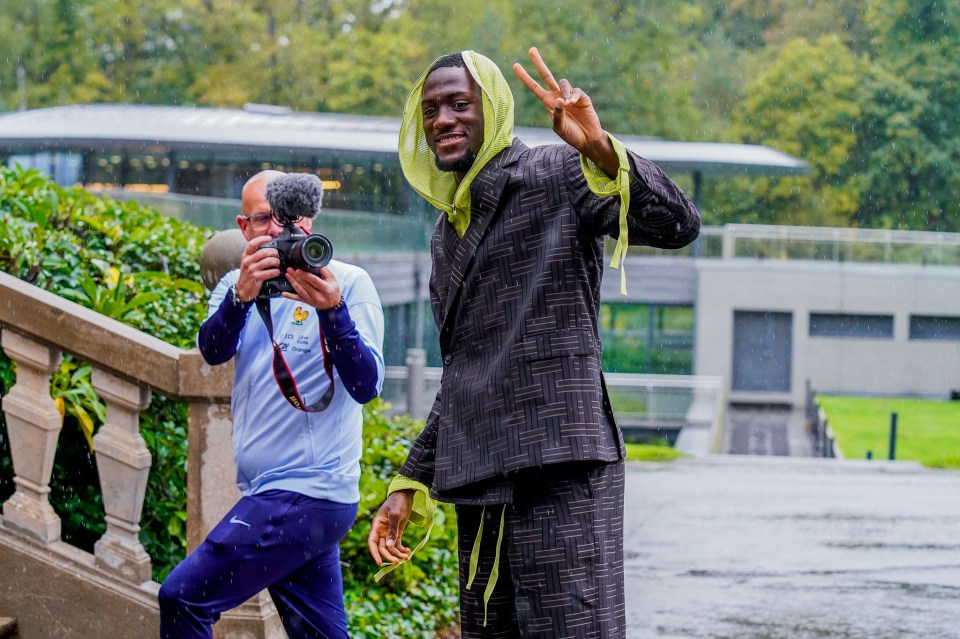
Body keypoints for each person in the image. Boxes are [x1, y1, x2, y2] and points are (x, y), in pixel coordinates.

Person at [367, 49, 700, 638]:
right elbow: (464, 370)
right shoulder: (448, 232)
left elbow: (677, 223)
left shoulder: (554, 172)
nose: (442, 119)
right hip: (484, 481)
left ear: (491, 109)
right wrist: (408, 482)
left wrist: (598, 149)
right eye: (431, 108)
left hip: (561, 467)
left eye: (459, 104)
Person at [159, 170, 385, 638]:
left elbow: (366, 385)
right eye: (265, 219)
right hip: (296, 499)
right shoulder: (236, 283)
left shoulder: (348, 282)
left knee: (181, 598)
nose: (280, 231)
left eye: (291, 217)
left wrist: (333, 312)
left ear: (311, 218)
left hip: (303, 492)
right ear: (244, 228)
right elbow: (213, 351)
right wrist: (241, 297)